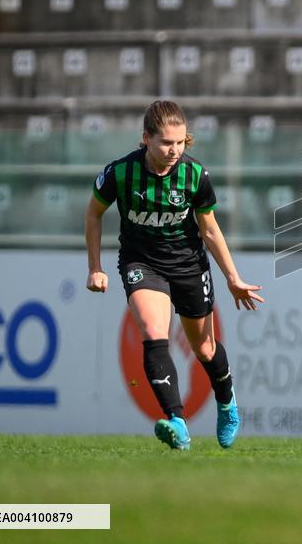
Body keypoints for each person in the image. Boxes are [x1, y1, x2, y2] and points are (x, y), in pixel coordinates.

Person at [85, 100, 264, 451]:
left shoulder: (195, 174)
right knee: (154, 332)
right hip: (141, 263)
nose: (174, 150)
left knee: (205, 349)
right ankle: (177, 422)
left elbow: (209, 230)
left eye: (180, 143)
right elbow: (93, 215)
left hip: (188, 265)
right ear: (146, 139)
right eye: (166, 142)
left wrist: (232, 277)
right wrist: (95, 267)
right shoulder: (120, 173)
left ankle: (227, 403)